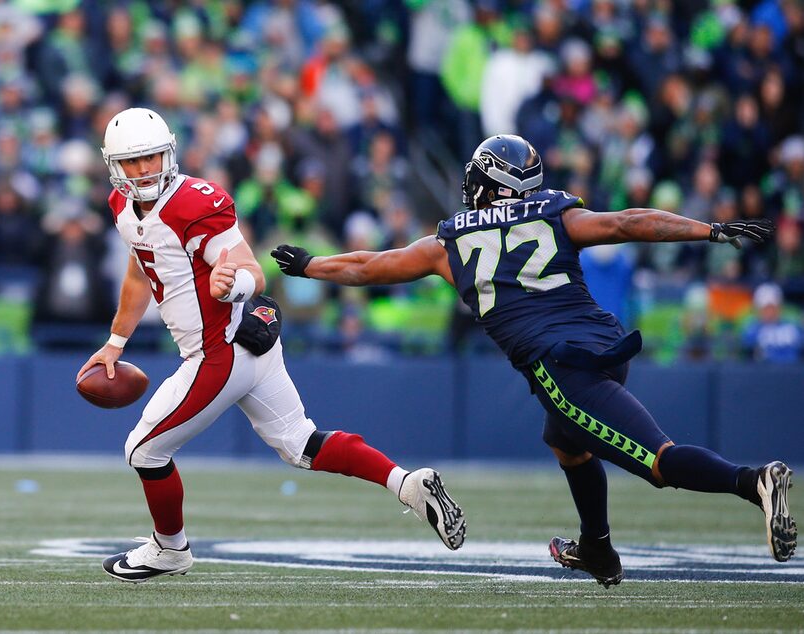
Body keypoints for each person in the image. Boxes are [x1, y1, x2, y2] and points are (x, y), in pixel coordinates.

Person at [272, 134, 797, 587]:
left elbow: (370, 266)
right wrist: (707, 230)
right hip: (602, 344)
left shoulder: (450, 242)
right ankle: (597, 548)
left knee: (658, 463)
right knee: (564, 441)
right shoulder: (556, 212)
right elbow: (625, 224)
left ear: (491, 184)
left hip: (560, 364)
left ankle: (751, 482)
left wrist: (310, 265)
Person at [76, 108, 466, 583]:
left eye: (153, 157)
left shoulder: (194, 203)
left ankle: (170, 549)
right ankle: (406, 484)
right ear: (114, 166)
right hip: (250, 347)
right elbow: (141, 270)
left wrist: (233, 283)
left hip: (218, 351)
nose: (145, 170)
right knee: (301, 442)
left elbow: (251, 270)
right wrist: (116, 342)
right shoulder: (122, 208)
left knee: (143, 450)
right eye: (134, 162)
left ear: (170, 153)